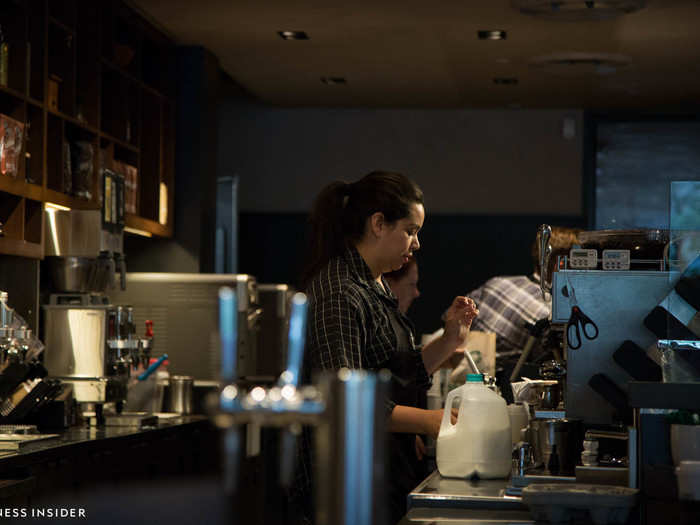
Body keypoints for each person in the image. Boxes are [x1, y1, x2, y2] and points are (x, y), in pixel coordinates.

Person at [294, 170, 478, 525]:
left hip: (379, 468)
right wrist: (430, 421)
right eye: (410, 231)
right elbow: (346, 402)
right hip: (340, 483)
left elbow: (395, 373)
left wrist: (450, 340)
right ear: (378, 223)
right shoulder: (339, 293)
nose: (416, 244)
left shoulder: (373, 283)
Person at [462, 226, 581, 378]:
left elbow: (451, 321)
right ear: (561, 264)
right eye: (581, 260)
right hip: (497, 390)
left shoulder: (496, 283)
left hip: (456, 380)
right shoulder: (550, 312)